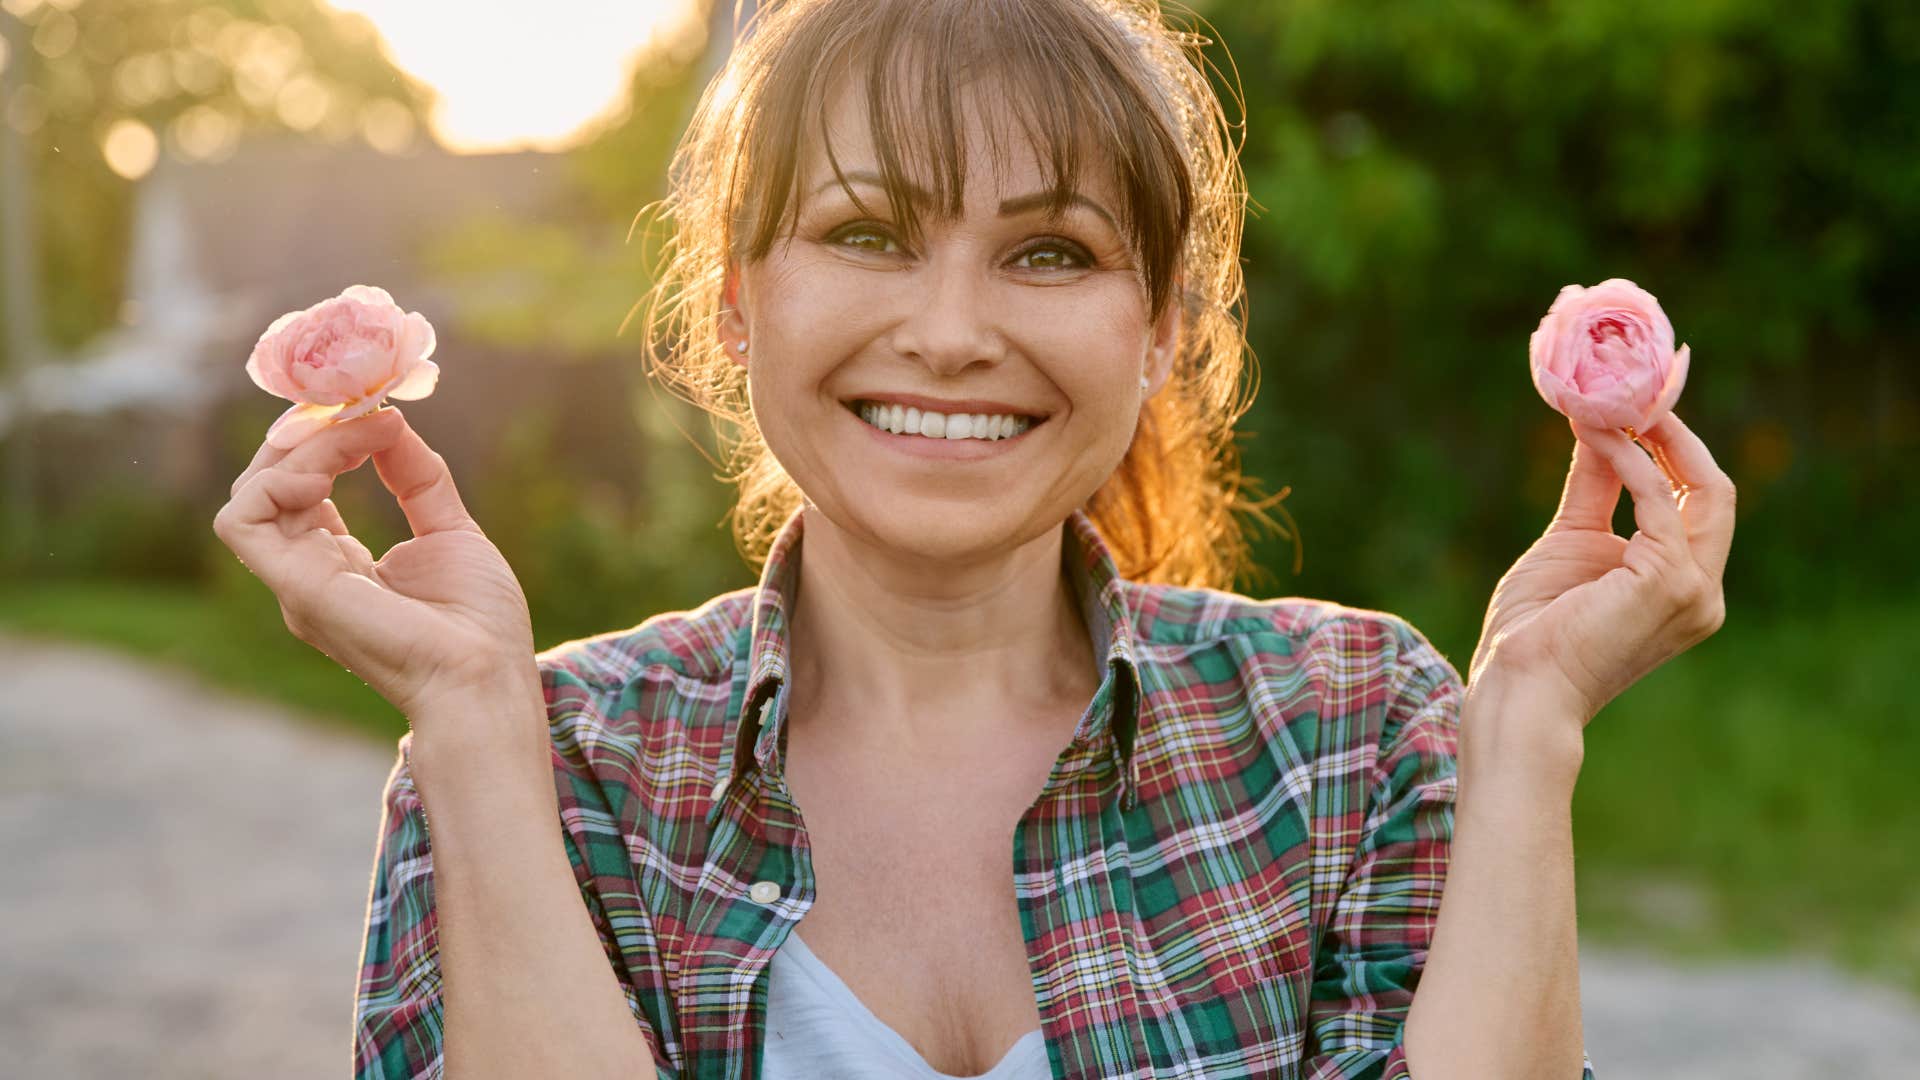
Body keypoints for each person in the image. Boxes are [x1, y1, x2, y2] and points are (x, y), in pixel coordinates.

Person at [211, 1, 1735, 1078]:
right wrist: (475, 721)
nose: (948, 334)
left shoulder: (1355, 733)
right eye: (869, 234)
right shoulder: (545, 765)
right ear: (738, 304)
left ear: (1158, 336)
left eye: (1050, 253)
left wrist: (1528, 726)